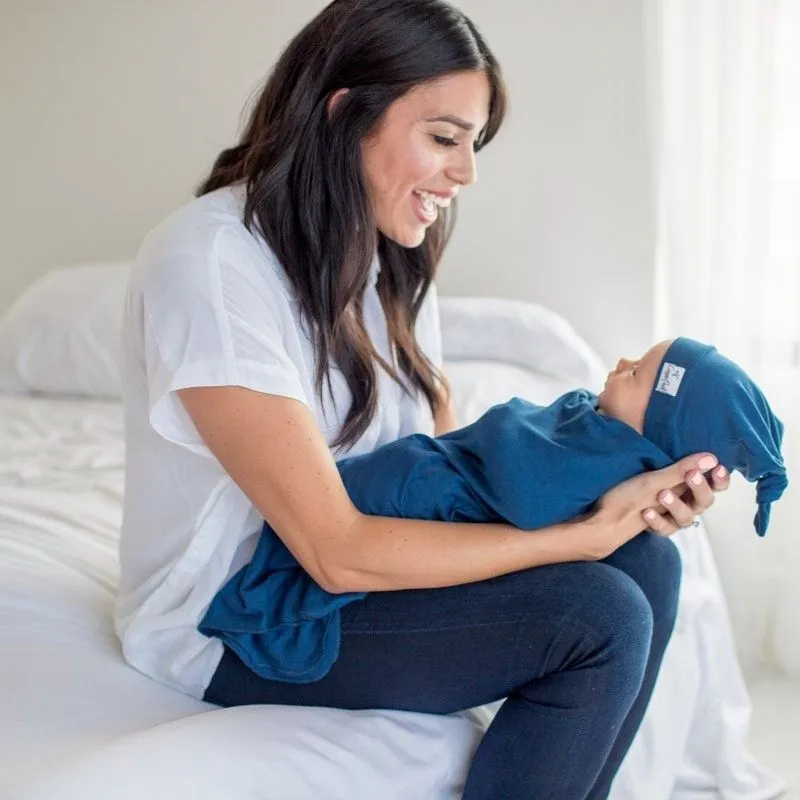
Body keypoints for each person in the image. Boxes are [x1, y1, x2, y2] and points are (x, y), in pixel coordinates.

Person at [115, 1, 731, 797]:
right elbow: (334, 551)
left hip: (350, 576)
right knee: (596, 614)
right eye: (444, 138)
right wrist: (574, 544)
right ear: (344, 114)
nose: (467, 172)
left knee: (647, 560)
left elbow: (446, 473)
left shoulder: (386, 262)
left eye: (473, 144)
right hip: (240, 618)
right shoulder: (208, 263)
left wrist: (609, 494)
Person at [199, 335, 787, 686]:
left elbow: (524, 488)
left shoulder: (605, 455)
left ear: (657, 432)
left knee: (653, 561)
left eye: (635, 374)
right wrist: (587, 533)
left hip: (418, 490)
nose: (617, 364)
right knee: (607, 606)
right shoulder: (602, 432)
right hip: (356, 524)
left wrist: (620, 516)